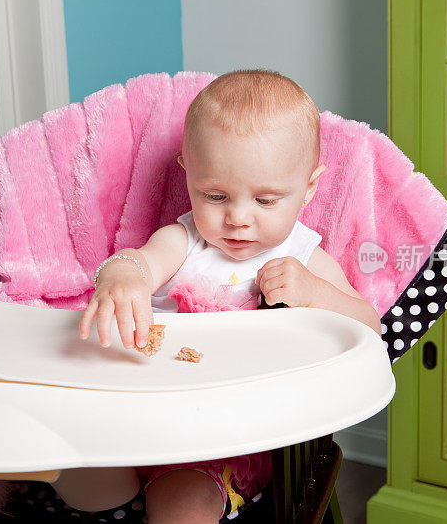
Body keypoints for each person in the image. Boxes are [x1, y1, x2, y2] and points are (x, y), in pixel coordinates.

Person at [77, 69, 382, 524]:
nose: (238, 219)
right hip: (137, 411)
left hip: (219, 434)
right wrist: (123, 276)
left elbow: (370, 327)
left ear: (309, 188)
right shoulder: (184, 241)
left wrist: (314, 292)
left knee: (180, 504)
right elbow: (140, 260)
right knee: (75, 456)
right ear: (188, 174)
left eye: (265, 200)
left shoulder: (303, 257)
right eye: (215, 195)